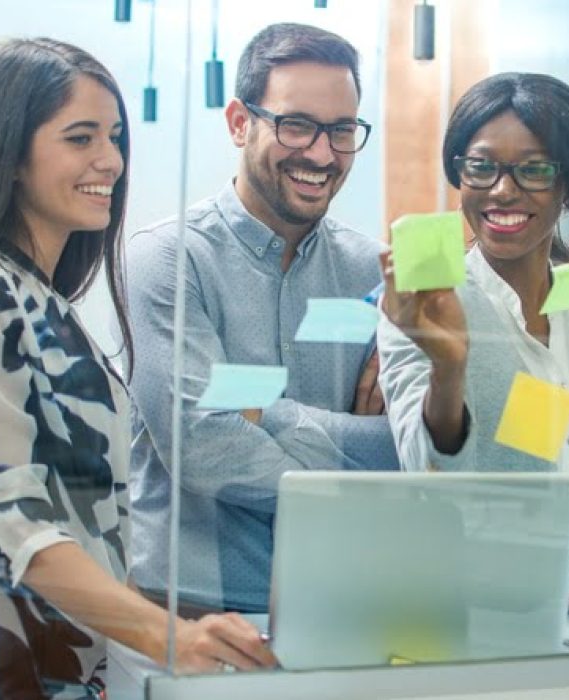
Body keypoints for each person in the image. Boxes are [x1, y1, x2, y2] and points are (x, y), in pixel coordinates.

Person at [0, 38, 275, 698]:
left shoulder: (45, 302)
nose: (109, 160)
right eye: (80, 138)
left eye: (113, 137)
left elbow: (91, 531)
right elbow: (14, 520)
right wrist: (168, 635)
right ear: (10, 156)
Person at [124, 23, 398, 619]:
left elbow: (408, 446)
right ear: (239, 123)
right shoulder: (169, 258)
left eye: (342, 131)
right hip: (186, 614)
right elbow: (203, 446)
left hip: (335, 604)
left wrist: (268, 417)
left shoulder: (373, 274)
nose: (322, 154)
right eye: (296, 125)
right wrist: (353, 472)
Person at [377, 73, 569, 623]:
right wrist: (449, 365)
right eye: (481, 166)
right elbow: (428, 477)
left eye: (535, 169)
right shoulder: (424, 302)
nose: (502, 189)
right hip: (464, 621)